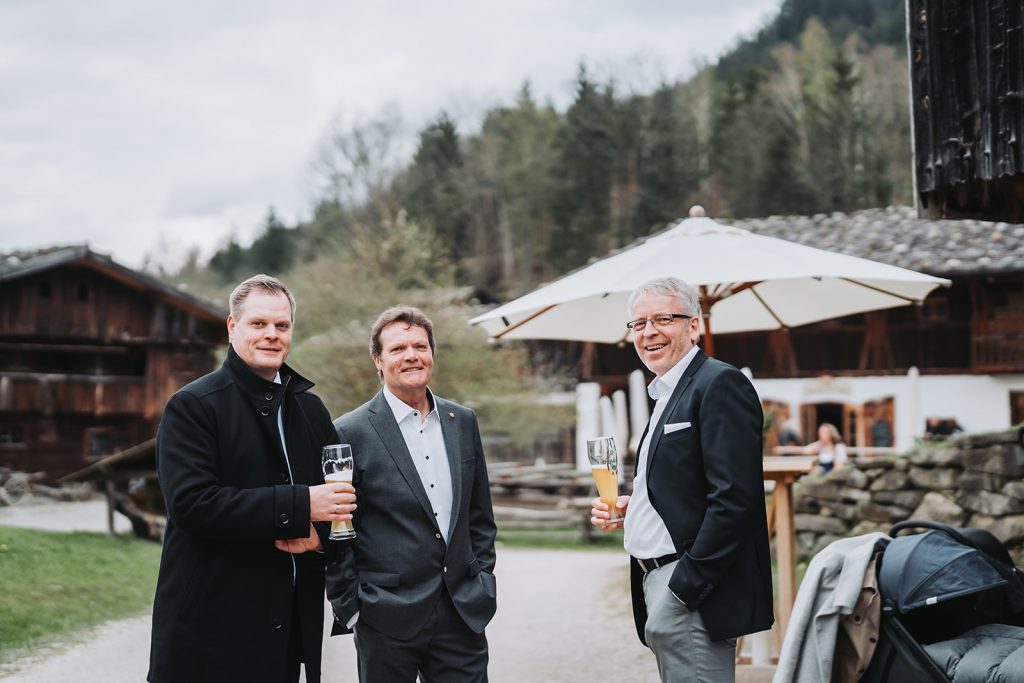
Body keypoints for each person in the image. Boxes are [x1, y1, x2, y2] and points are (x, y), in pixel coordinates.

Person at [148, 274, 357, 683]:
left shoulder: (312, 410)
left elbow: (341, 503)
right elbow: (192, 505)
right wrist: (302, 505)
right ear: (232, 326)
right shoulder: (192, 406)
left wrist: (319, 538)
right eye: (258, 323)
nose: (271, 334)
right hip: (210, 632)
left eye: (282, 325)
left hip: (285, 634)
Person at [591, 277, 774, 683]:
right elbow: (686, 483)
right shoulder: (665, 392)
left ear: (693, 326)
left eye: (663, 319)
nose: (648, 332)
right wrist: (637, 505)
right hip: (657, 580)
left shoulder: (719, 383)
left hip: (691, 589)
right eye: (639, 324)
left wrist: (685, 589)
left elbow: (734, 499)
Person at [325, 306, 497, 683]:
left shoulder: (462, 421)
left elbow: (480, 514)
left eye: (420, 346)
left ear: (432, 353)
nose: (411, 356)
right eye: (398, 348)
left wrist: (483, 579)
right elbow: (337, 529)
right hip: (384, 616)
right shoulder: (348, 432)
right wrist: (351, 606)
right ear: (378, 360)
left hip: (461, 611)